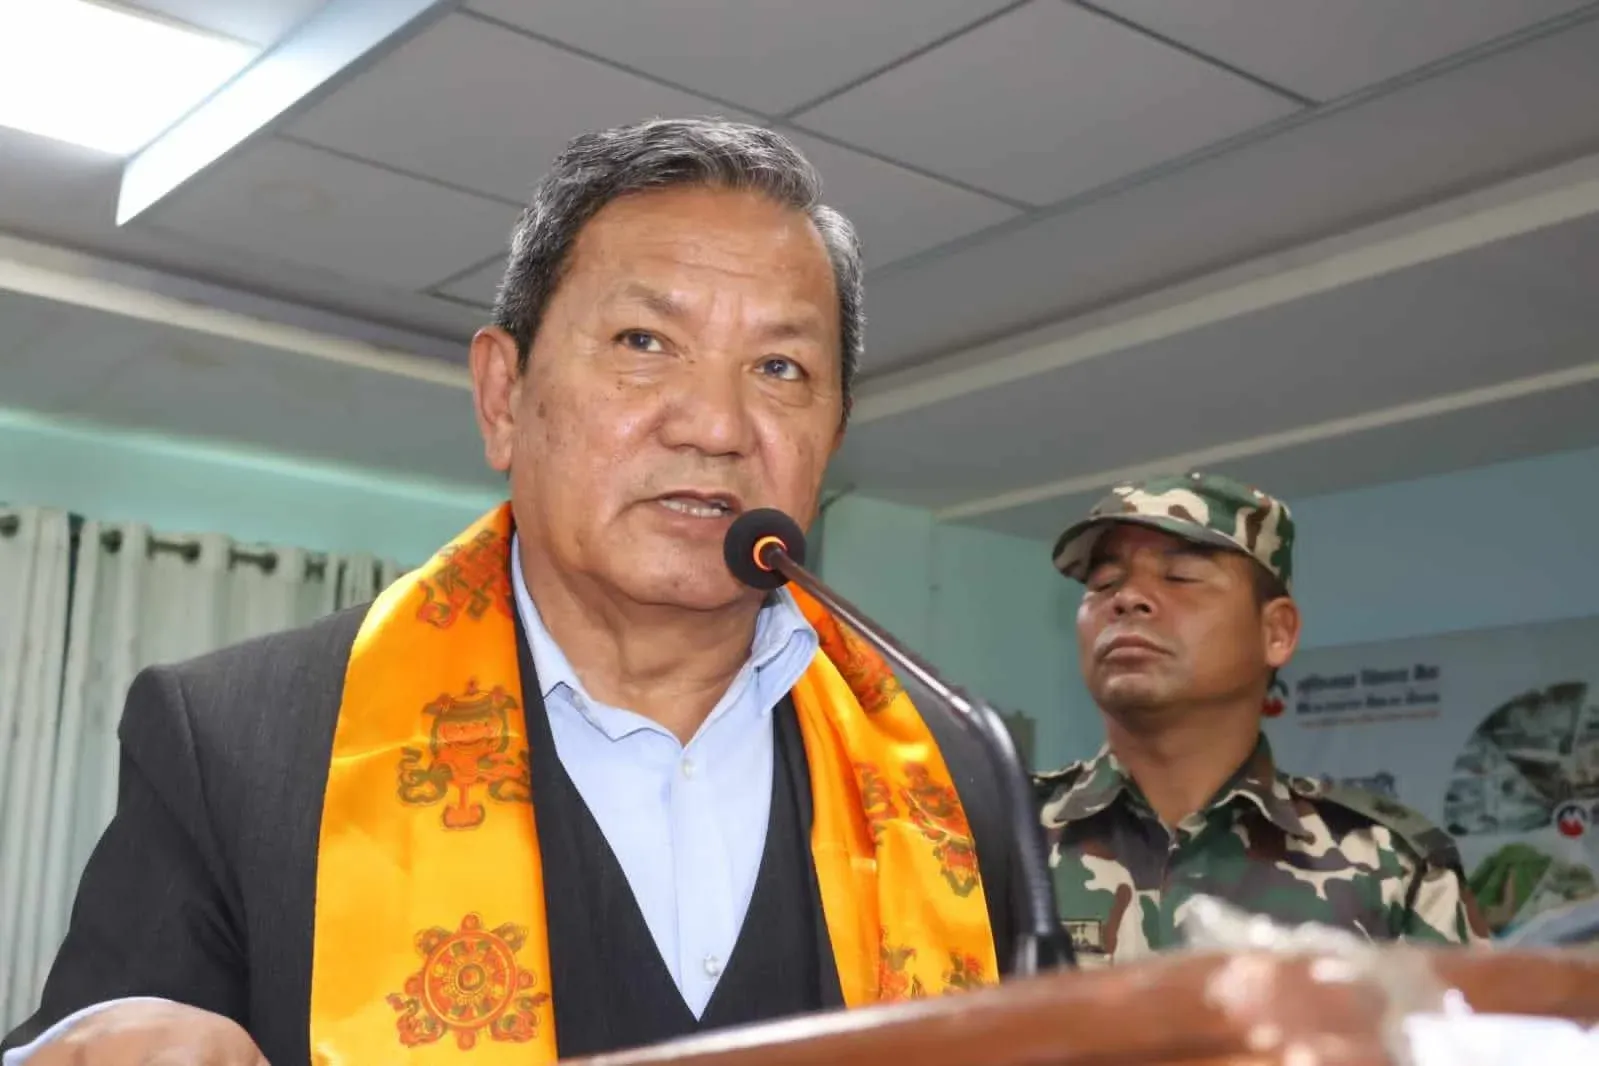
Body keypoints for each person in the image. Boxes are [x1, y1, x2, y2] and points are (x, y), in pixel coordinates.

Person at [2, 118, 1018, 1066]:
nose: (715, 425)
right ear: (503, 397)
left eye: (781, 367)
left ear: (831, 437)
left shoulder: (953, 774)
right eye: (643, 343)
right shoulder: (241, 743)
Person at [1033, 471, 1488, 967]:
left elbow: (1459, 1019)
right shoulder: (1002, 841)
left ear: (1276, 632)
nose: (1126, 598)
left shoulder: (1393, 865)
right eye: (1103, 583)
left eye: (1179, 576)